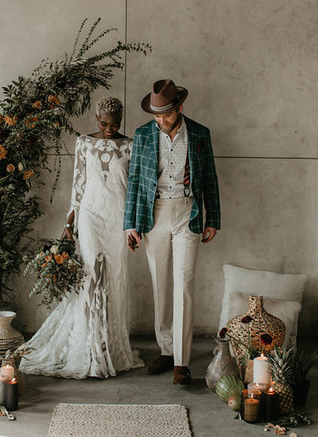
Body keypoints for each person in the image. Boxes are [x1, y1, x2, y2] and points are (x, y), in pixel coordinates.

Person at [20, 97, 143, 379]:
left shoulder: (130, 145)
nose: (109, 129)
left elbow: (134, 187)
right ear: (96, 117)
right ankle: (87, 348)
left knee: (113, 280)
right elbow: (79, 184)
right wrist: (68, 223)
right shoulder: (84, 142)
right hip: (90, 215)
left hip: (118, 219)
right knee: (90, 278)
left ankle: (108, 346)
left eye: (115, 124)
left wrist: (132, 225)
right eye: (103, 123)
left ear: (121, 120)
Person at [124, 79, 220, 385]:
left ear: (180, 107)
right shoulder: (142, 135)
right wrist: (131, 223)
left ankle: (181, 361)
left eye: (166, 114)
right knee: (161, 284)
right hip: (155, 215)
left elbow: (211, 178)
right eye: (156, 115)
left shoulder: (200, 134)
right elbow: (135, 180)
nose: (162, 121)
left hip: (188, 212)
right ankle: (166, 350)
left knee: (183, 285)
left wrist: (213, 217)